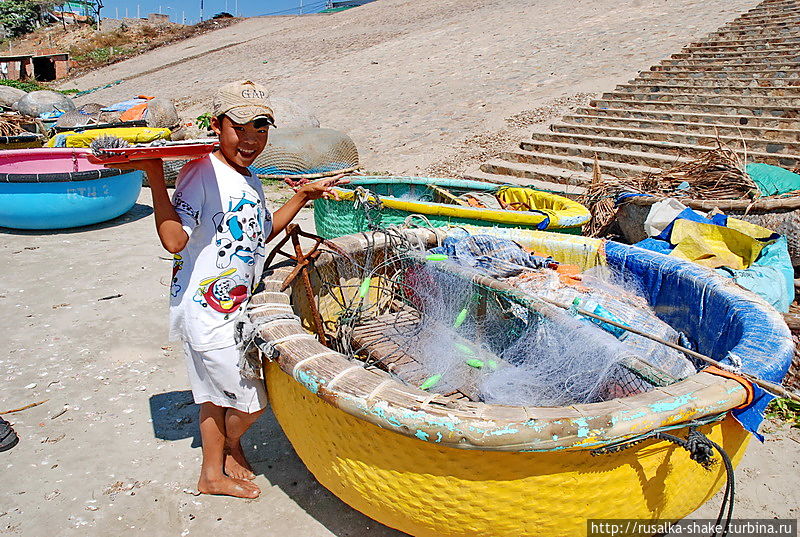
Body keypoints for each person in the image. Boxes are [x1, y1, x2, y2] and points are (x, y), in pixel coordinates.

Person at [112, 80, 346, 498]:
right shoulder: (201, 172)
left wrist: (304, 197)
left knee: (212, 396)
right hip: (206, 310)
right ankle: (231, 448)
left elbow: (260, 233)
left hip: (236, 308)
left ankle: (213, 470)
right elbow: (174, 241)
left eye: (261, 128)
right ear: (217, 125)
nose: (251, 139)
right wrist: (153, 177)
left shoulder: (250, 177)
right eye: (240, 128)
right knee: (251, 403)